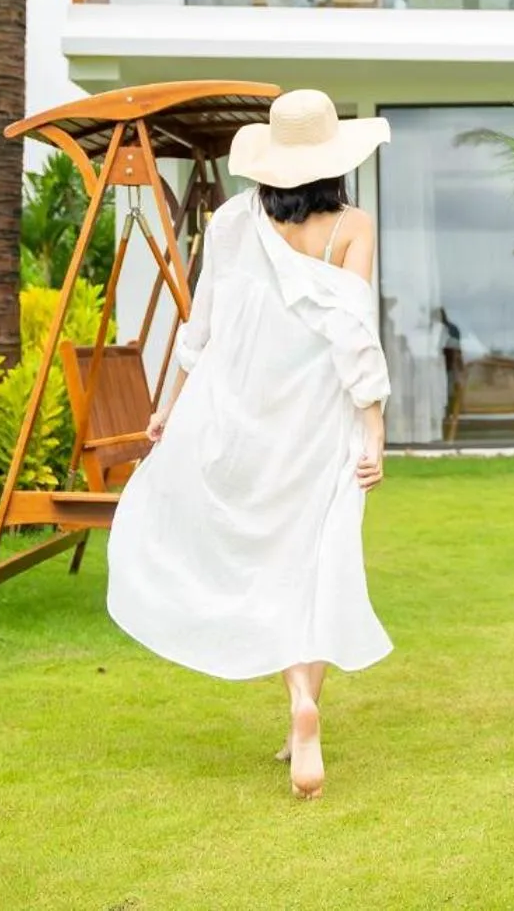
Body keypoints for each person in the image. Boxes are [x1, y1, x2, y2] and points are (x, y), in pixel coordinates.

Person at [105, 89, 392, 800]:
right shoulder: (352, 224)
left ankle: (293, 704)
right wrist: (374, 425)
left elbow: (197, 324)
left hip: (238, 408)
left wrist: (170, 405)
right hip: (317, 415)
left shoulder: (234, 219)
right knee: (314, 555)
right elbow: (352, 331)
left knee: (262, 552)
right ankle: (305, 704)